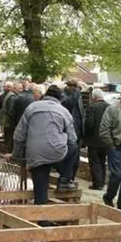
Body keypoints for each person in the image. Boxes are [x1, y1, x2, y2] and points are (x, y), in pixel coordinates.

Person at [10, 85, 80, 222]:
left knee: (40, 191)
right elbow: (73, 138)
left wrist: (15, 155)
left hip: (35, 155)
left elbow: (19, 135)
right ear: (60, 98)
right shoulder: (64, 111)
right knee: (73, 147)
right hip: (57, 153)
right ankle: (64, 180)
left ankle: (42, 221)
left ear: (45, 95)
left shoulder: (31, 108)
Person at [84, 89, 111, 190]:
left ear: (94, 97)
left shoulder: (92, 107)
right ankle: (102, 181)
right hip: (106, 140)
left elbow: (89, 124)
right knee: (102, 161)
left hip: (94, 140)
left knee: (94, 162)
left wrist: (85, 136)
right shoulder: (109, 107)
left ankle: (97, 183)